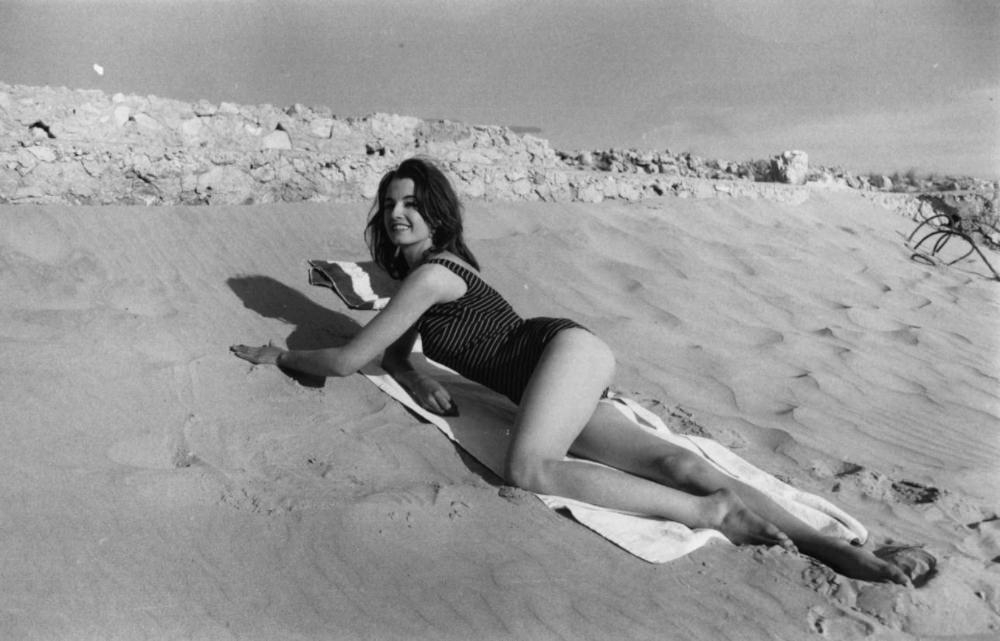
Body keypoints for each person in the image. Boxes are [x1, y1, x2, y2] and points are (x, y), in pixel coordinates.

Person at [231, 157, 913, 585]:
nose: (399, 213)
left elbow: (352, 357)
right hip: (559, 370)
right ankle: (837, 548)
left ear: (436, 213)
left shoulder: (433, 274)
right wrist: (422, 380)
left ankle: (714, 515)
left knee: (526, 469)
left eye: (412, 202)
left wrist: (286, 354)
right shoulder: (425, 279)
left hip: (558, 355)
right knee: (678, 462)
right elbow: (397, 354)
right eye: (389, 204)